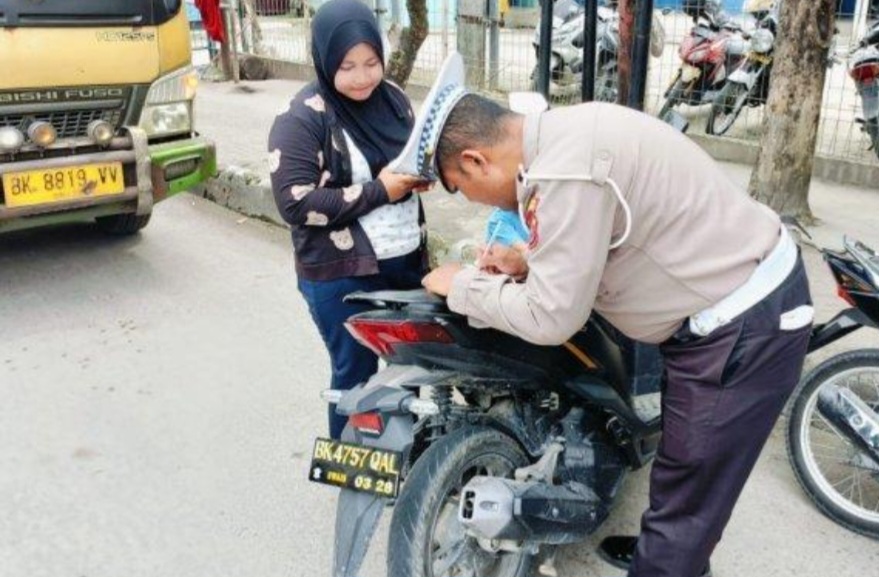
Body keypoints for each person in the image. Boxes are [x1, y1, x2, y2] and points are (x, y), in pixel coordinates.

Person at [408, 57, 813, 577]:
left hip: (743, 323)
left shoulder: (566, 172)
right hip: (719, 303)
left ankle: (667, 561)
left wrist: (463, 284)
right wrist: (527, 260)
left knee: (688, 493)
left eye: (460, 187)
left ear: (476, 161)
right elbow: (609, 231)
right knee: (682, 475)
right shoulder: (563, 136)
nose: (470, 199)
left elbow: (551, 317)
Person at [268, 0, 429, 440]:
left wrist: (421, 177)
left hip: (406, 263)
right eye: (348, 66)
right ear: (324, 60)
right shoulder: (302, 117)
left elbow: (414, 157)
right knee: (355, 373)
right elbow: (295, 202)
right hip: (340, 275)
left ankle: (417, 465)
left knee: (415, 368)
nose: (362, 77)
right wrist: (381, 190)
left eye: (371, 62)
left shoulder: (394, 100)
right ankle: (354, 470)